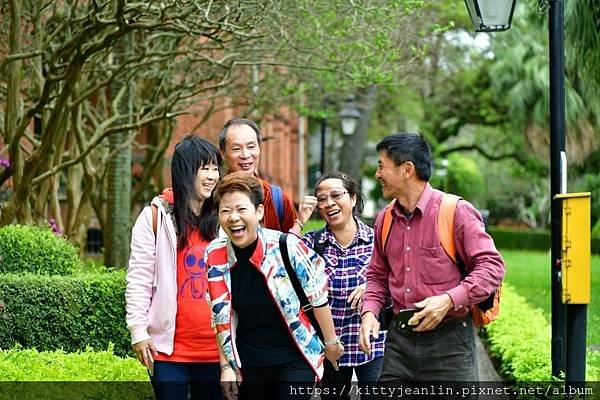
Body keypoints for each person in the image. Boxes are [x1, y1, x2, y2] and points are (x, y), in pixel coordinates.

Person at [358, 133, 505, 383]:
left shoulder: (455, 211)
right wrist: (369, 313)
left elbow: (492, 267)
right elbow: (377, 276)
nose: (377, 174)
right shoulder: (384, 219)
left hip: (450, 345)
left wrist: (449, 300)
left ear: (407, 169)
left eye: (382, 166)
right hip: (399, 343)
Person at [204, 172, 344, 400]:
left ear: (259, 212)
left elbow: (318, 297)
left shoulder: (285, 246)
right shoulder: (214, 254)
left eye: (241, 209)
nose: (233, 218)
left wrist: (331, 343)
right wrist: (226, 366)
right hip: (249, 362)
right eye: (225, 211)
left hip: (294, 356)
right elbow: (221, 316)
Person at [126, 135, 223, 400]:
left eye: (216, 168)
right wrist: (138, 331)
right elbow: (139, 278)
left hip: (218, 351)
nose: (213, 176)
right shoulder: (155, 216)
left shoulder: (225, 218)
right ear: (185, 171)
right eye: (205, 168)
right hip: (169, 351)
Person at [297, 171, 385, 399]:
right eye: (322, 199)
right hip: (331, 347)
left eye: (336, 195)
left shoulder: (377, 240)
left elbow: (398, 279)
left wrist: (371, 286)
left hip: (373, 344)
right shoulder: (312, 243)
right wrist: (299, 221)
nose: (329, 204)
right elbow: (280, 261)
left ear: (353, 198)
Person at [219, 118, 299, 232]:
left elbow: (293, 246)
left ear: (259, 148)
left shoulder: (278, 199)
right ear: (223, 153)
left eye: (251, 147)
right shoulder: (212, 197)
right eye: (236, 149)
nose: (245, 155)